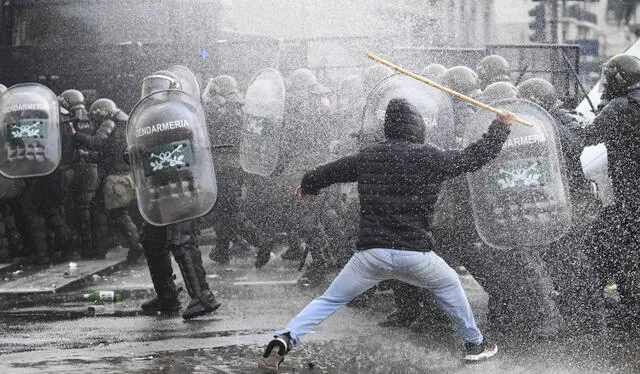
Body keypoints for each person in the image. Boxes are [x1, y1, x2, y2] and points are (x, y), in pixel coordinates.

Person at [258, 98, 515, 373]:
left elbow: (329, 171)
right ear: (417, 127)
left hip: (371, 255)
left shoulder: (368, 155)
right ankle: (474, 345)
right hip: (416, 254)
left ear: (388, 128)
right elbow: (473, 157)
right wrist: (500, 127)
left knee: (329, 300)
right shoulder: (431, 156)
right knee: (450, 284)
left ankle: (285, 338)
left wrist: (309, 185)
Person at [582, 54, 640, 319]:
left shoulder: (618, 107)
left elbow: (589, 136)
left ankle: (632, 305)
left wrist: (574, 121)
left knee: (620, 244)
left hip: (631, 192)